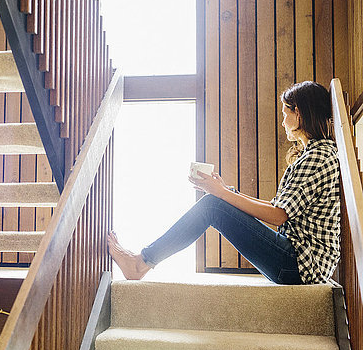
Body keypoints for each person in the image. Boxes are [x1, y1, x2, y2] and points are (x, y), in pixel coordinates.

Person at [108, 81, 341, 285]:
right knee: (215, 202)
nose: (282, 122)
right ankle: (142, 262)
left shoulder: (318, 156)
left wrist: (221, 195)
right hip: (300, 264)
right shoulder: (318, 153)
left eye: (285, 114)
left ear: (298, 114)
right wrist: (226, 192)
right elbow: (277, 207)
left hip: (299, 266)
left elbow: (278, 215)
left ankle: (140, 264)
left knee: (211, 206)